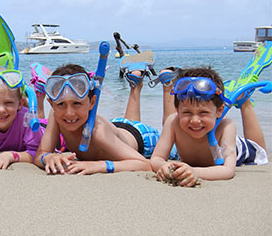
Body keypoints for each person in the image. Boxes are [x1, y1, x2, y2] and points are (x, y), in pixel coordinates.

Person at [33, 63, 176, 175]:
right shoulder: (55, 115)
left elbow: (144, 164)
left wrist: (100, 165)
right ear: (51, 104)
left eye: (77, 103)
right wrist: (48, 158)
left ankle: (168, 84)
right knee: (130, 125)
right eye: (61, 104)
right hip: (118, 128)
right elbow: (41, 153)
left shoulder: (99, 133)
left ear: (92, 102)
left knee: (171, 131)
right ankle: (135, 83)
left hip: (143, 138)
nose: (69, 113)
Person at [150, 67, 269, 187]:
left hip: (238, 148)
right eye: (187, 112)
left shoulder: (226, 126)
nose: (195, 120)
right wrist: (164, 166)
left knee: (261, 151)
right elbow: (157, 158)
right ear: (177, 110)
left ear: (220, 111)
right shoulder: (173, 122)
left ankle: (245, 102)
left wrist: (194, 171)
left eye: (203, 113)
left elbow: (228, 170)